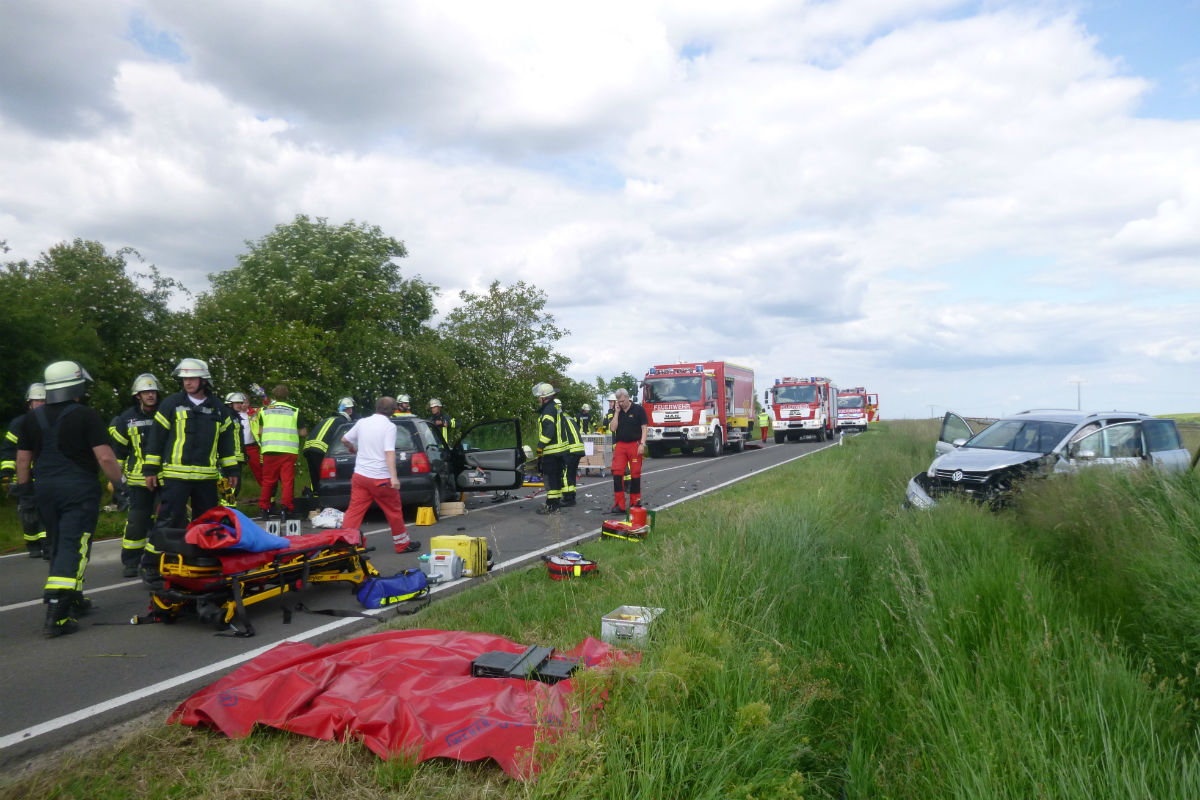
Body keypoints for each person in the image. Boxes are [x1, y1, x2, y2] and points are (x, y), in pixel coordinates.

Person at [14, 361, 125, 637]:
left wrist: (25, 494)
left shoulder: (30, 419)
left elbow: (22, 461)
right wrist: (120, 485)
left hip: (45, 491)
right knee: (73, 545)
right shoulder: (86, 416)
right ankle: (57, 613)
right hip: (78, 490)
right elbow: (106, 457)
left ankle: (73, 598)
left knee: (57, 543)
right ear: (75, 386)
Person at [143, 358, 240, 534]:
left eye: (192, 378)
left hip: (206, 479)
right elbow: (156, 438)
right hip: (175, 477)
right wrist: (150, 470)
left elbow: (226, 444)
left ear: (204, 381)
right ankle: (155, 560)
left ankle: (199, 559)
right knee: (169, 521)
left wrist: (232, 470)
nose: (187, 382)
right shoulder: (171, 404)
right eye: (184, 379)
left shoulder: (218, 408)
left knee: (206, 523)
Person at [341, 397, 419, 554]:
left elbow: (344, 439)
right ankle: (402, 544)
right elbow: (389, 452)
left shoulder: (363, 422)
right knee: (393, 511)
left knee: (354, 511)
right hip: (380, 478)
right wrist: (394, 477)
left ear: (376, 407)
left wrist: (352, 448)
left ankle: (344, 544)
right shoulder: (389, 427)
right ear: (392, 410)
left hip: (360, 476)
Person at [108, 374, 162, 577]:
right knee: (136, 523)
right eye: (146, 392)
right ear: (137, 395)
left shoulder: (166, 414)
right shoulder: (125, 419)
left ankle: (156, 560)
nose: (150, 395)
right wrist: (116, 481)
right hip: (138, 481)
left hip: (164, 477)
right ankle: (131, 562)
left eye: (153, 391)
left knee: (167, 519)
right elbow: (118, 454)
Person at [2, 382, 49, 558]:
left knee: (47, 510)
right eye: (36, 401)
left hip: (46, 475)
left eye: (43, 400)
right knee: (28, 512)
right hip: (25, 476)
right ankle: (33, 545)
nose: (40, 404)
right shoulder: (18, 424)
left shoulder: (53, 421)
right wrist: (6, 474)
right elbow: (8, 450)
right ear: (29, 403)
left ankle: (47, 544)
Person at [255, 384, 305, 520]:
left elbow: (259, 431)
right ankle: (286, 509)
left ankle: (264, 509)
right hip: (288, 451)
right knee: (287, 481)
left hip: (269, 450)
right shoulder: (295, 411)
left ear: (274, 396)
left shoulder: (264, 411)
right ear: (287, 396)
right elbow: (303, 432)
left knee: (268, 481)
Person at [303, 397, 356, 503]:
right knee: (324, 478)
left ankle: (315, 500)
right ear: (349, 410)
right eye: (351, 409)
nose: (352, 412)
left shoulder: (330, 419)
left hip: (308, 448)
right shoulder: (343, 423)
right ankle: (323, 503)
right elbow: (342, 440)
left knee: (315, 477)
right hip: (320, 449)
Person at [607, 388, 648, 514]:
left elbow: (644, 428)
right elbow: (613, 428)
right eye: (619, 402)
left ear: (628, 397)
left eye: (623, 401)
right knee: (617, 472)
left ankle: (635, 502)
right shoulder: (617, 411)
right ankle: (619, 504)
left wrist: (642, 444)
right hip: (620, 445)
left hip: (634, 444)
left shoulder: (638, 409)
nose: (621, 403)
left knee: (635, 473)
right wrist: (617, 413)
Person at [534, 383, 568, 514]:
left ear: (544, 398)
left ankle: (552, 505)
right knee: (557, 477)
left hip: (552, 451)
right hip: (560, 450)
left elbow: (549, 430)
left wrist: (540, 446)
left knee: (550, 477)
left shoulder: (548, 410)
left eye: (539, 397)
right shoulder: (555, 407)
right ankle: (556, 503)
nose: (538, 400)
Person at [223, 392, 255, 498]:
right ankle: (228, 509)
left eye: (241, 403)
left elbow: (239, 438)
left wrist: (243, 453)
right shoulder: (225, 417)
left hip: (237, 458)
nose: (240, 405)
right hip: (228, 459)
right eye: (237, 403)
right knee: (228, 488)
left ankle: (229, 509)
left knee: (235, 487)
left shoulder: (236, 417)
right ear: (229, 404)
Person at [560, 399, 584, 507]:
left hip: (570, 449)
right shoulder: (568, 417)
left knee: (565, 474)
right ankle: (572, 496)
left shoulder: (559, 419)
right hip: (578, 449)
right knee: (571, 473)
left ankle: (568, 499)